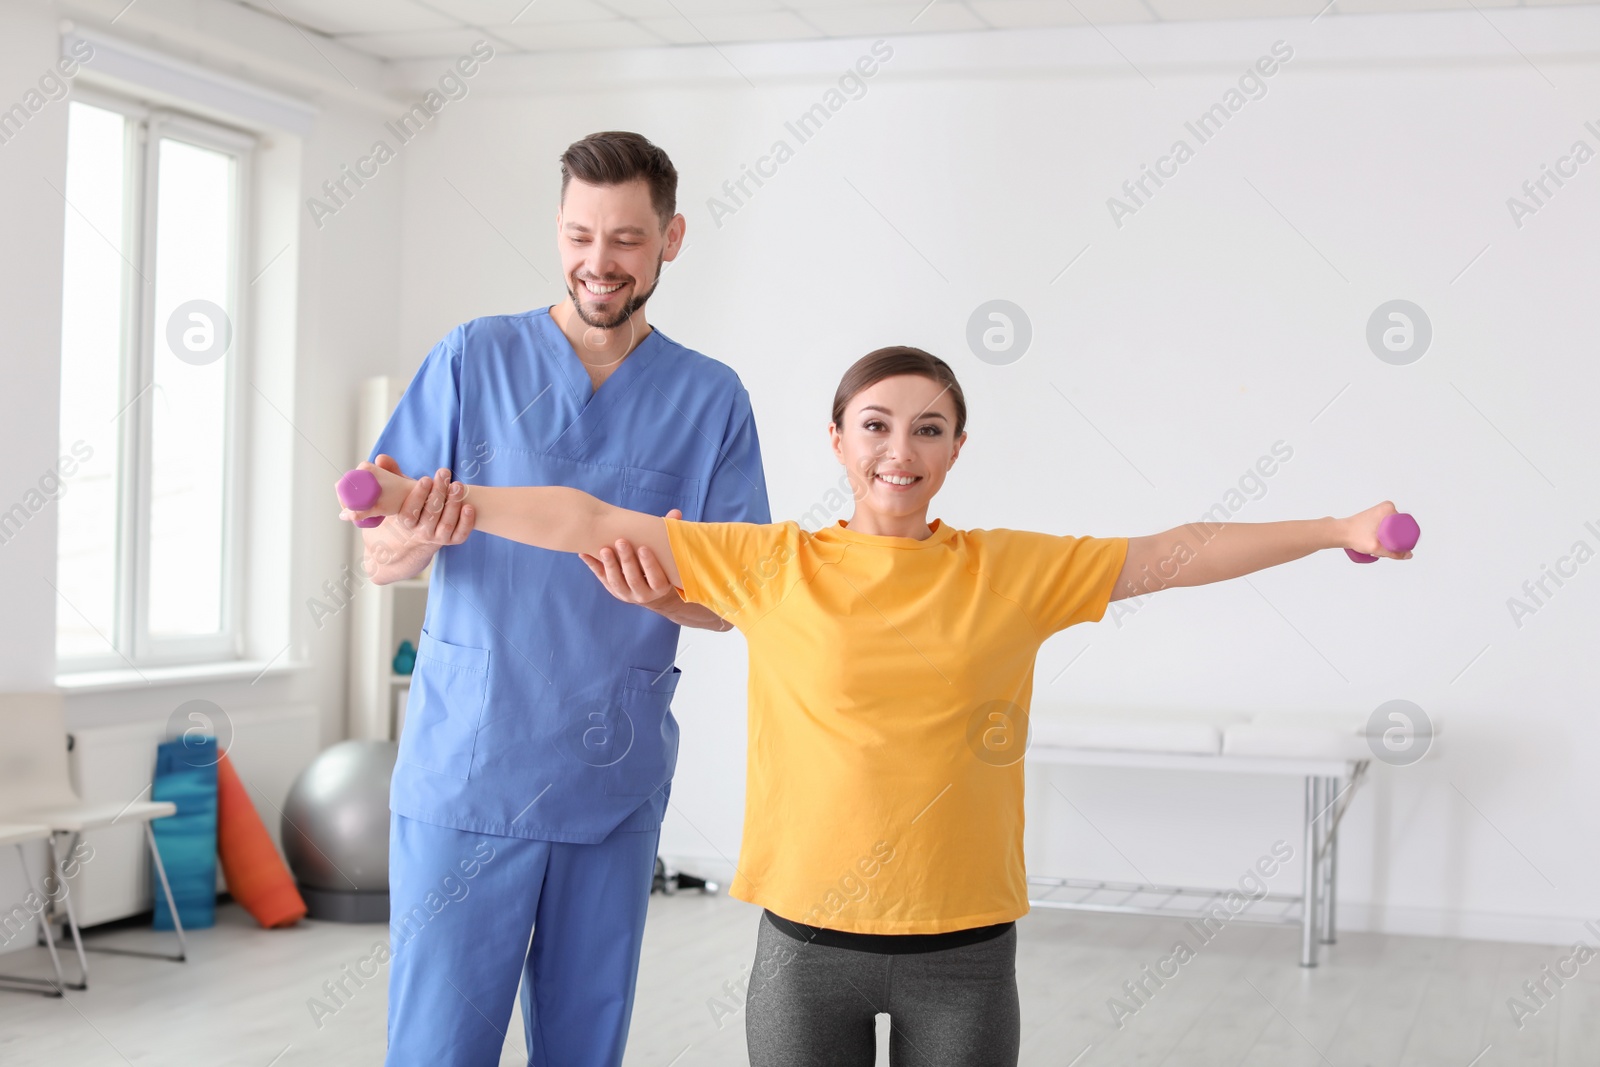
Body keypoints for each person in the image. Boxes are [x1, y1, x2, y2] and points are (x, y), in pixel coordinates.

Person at [340, 345, 1413, 1066]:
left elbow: (1173, 554)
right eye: (877, 424)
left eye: (929, 428)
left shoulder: (1012, 571)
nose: (900, 449)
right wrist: (425, 501)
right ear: (839, 439)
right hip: (806, 947)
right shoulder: (772, 563)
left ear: (955, 448)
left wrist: (1331, 527)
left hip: (964, 951)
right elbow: (580, 514)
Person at [360, 131, 769, 1067]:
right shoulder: (474, 357)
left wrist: (666, 596)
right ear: (558, 229)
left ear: (670, 239)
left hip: (606, 780)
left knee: (585, 1046)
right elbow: (382, 558)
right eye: (580, 235)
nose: (599, 262)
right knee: (437, 1048)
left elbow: (737, 601)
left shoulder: (711, 399)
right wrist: (418, 529)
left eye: (626, 239)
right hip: (470, 771)